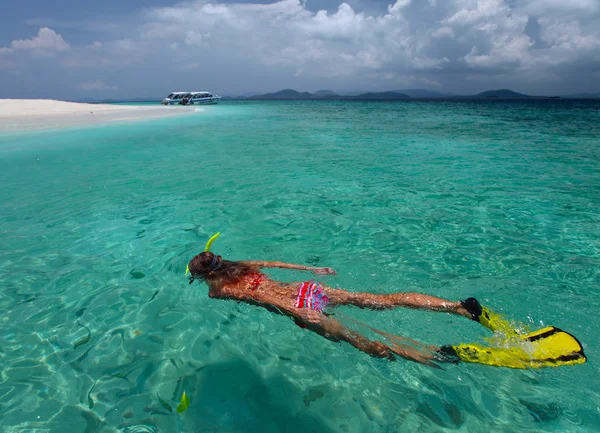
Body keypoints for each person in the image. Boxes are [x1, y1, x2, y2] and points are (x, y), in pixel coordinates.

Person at [186, 240, 586, 369]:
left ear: (206, 275)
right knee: (382, 301)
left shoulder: (217, 291)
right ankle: (459, 307)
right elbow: (279, 265)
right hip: (309, 289)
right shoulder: (246, 264)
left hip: (302, 311)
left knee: (369, 343)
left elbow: (227, 292)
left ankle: (437, 355)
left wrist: (205, 281)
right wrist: (316, 269)